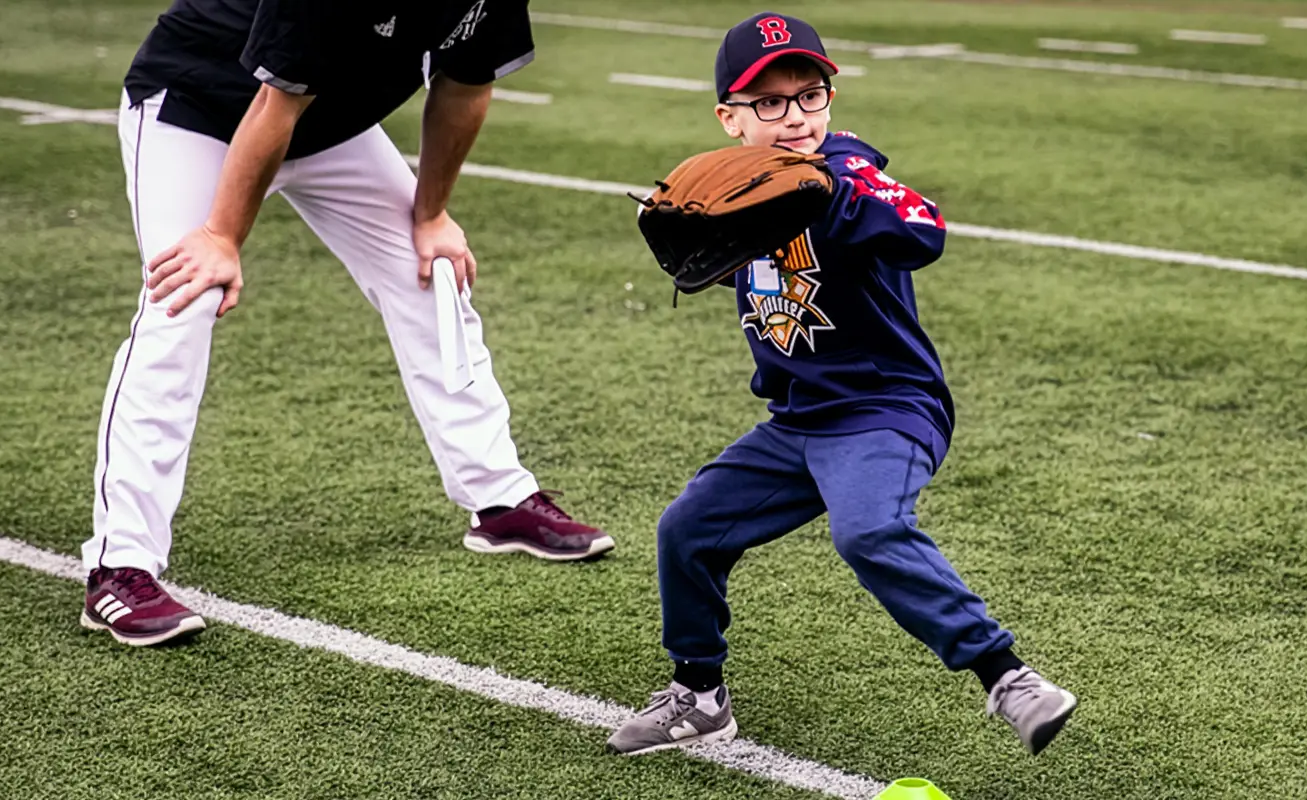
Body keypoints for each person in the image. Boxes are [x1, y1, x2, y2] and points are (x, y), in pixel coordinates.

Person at [606, 11, 1078, 757]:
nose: (794, 116)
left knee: (867, 530)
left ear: (831, 99)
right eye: (768, 102)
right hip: (799, 421)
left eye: (810, 94)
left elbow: (923, 229)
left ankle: (1008, 676)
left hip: (887, 409)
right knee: (686, 531)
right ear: (729, 118)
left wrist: (834, 193)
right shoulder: (741, 188)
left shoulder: (849, 174)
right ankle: (699, 696)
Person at [81, 0, 613, 648]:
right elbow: (274, 105)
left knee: (432, 276)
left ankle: (499, 499)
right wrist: (221, 236)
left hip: (325, 120)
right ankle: (120, 566)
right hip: (198, 108)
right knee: (182, 301)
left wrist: (431, 214)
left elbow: (466, 84)